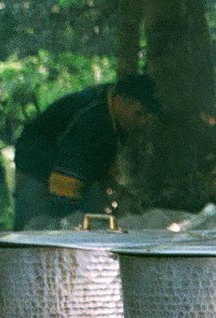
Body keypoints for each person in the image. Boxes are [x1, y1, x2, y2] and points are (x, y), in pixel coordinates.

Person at [12, 74, 162, 230]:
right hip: (39, 172)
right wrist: (69, 224)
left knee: (101, 227)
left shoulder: (111, 111)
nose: (143, 122)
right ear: (120, 102)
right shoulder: (90, 119)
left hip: (76, 177)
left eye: (146, 116)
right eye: (139, 114)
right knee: (34, 237)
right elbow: (66, 179)